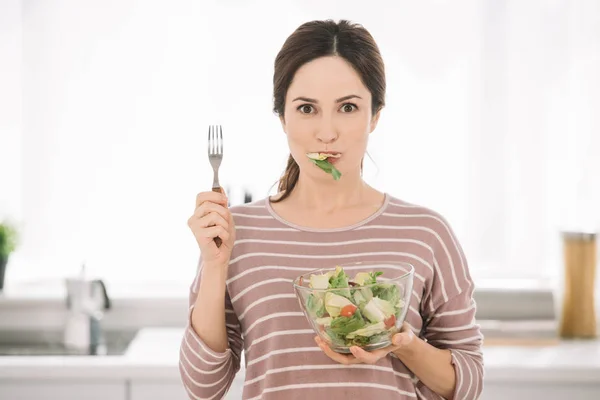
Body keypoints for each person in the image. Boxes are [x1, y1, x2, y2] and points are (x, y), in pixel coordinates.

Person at [180, 19, 484, 400]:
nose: (326, 132)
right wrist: (213, 265)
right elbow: (202, 387)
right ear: (282, 118)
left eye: (348, 107)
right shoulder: (235, 232)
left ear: (374, 116)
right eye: (307, 108)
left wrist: (401, 344)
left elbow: (468, 382)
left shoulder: (425, 232)